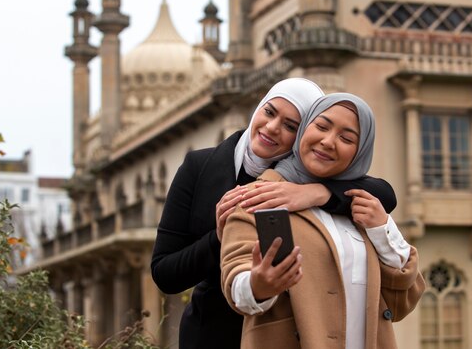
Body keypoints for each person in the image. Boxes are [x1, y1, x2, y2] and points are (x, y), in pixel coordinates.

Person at [150, 79, 398, 349]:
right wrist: (219, 238)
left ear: (304, 131)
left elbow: (384, 193)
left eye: (291, 126)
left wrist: (317, 192)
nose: (272, 128)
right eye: (269, 112)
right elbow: (165, 273)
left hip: (282, 335)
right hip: (215, 331)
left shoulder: (304, 171)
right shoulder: (200, 166)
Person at [221, 93, 425, 349]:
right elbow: (236, 280)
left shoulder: (363, 207)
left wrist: (382, 229)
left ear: (360, 152)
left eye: (347, 138)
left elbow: (403, 302)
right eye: (322, 126)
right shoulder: (260, 197)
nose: (329, 142)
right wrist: (257, 285)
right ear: (304, 129)